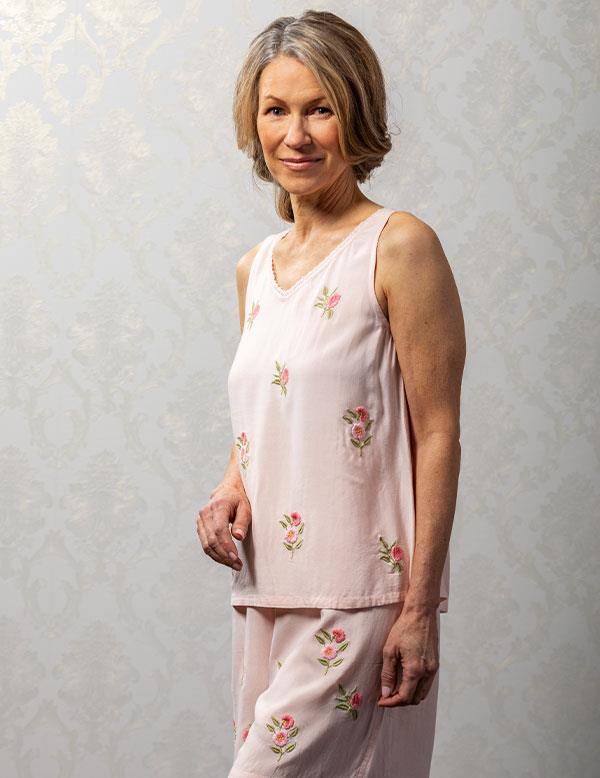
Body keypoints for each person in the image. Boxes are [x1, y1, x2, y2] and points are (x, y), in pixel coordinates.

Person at [197, 10, 465, 777]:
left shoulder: (400, 246)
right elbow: (274, 409)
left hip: (362, 592)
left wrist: (419, 608)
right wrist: (230, 486)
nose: (296, 135)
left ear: (358, 114)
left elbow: (438, 433)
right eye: (276, 110)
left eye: (320, 109)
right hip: (266, 588)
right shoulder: (255, 269)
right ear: (253, 122)